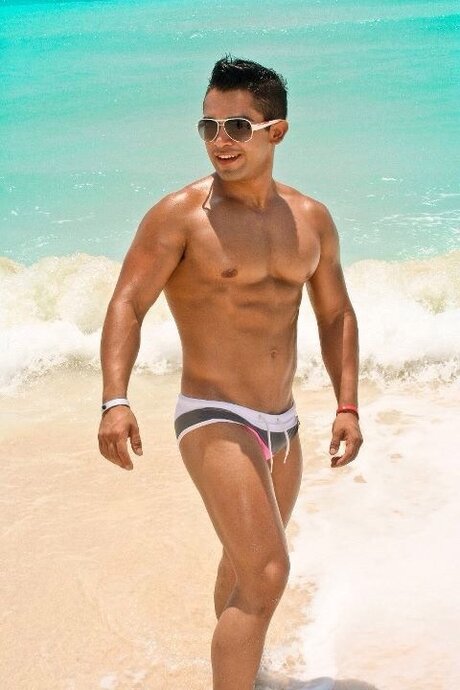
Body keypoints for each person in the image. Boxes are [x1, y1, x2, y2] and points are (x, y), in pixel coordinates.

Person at [98, 56, 363, 690]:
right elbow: (127, 302)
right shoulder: (180, 215)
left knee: (247, 569)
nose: (221, 140)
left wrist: (347, 405)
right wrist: (114, 399)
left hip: (283, 423)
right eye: (208, 126)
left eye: (237, 126)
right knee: (269, 571)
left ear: (277, 131)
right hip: (213, 415)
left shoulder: (311, 218)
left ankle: (247, 675)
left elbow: (335, 314)